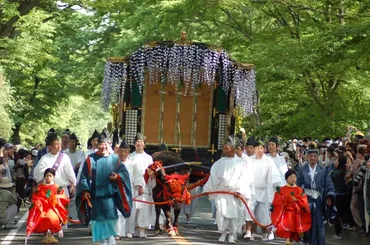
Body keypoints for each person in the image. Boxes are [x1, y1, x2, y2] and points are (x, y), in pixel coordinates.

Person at [76, 133, 132, 245]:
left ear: (108, 145)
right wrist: (85, 190)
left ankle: (111, 237)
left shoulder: (114, 159)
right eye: (101, 144)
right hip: (95, 196)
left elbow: (123, 172)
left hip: (110, 195)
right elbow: (84, 176)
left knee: (111, 218)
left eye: (105, 144)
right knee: (98, 220)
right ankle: (103, 241)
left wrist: (117, 176)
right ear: (98, 145)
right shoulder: (90, 159)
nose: (103, 147)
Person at [203, 135, 253, 244]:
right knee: (221, 212)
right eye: (225, 144)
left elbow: (244, 178)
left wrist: (239, 191)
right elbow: (214, 177)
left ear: (233, 148)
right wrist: (209, 189)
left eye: (227, 145)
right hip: (222, 191)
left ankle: (232, 234)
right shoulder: (219, 163)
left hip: (234, 193)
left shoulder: (240, 163)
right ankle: (223, 232)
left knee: (233, 215)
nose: (224, 146)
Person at [297, 146, 335, 245]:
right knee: (306, 221)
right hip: (305, 199)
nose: (313, 158)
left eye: (314, 156)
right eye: (310, 156)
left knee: (318, 223)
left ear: (317, 158)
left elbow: (328, 183)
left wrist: (329, 196)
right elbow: (297, 185)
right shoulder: (302, 170)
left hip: (318, 199)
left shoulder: (323, 170)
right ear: (307, 157)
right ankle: (307, 241)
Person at [245, 139, 281, 241]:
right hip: (252, 189)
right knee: (249, 209)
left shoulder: (268, 160)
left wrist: (277, 187)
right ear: (254, 150)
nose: (259, 150)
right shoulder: (249, 160)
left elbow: (274, 176)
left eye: (261, 148)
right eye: (257, 148)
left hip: (264, 190)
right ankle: (248, 231)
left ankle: (265, 233)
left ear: (264, 149)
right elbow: (245, 174)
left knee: (263, 212)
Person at [26, 168, 70, 244]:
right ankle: (45, 236)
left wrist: (56, 199)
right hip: (42, 208)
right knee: (42, 217)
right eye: (47, 176)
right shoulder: (40, 187)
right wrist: (37, 203)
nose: (48, 177)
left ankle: (52, 235)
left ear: (53, 177)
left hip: (54, 208)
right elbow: (35, 197)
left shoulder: (57, 187)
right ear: (44, 177)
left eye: (50, 176)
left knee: (52, 217)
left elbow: (63, 197)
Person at [33, 133, 77, 206]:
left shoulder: (65, 157)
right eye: (56, 144)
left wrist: (73, 185)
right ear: (50, 146)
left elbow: (70, 173)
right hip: (48, 192)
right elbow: (37, 174)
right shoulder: (45, 158)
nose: (59, 146)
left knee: (62, 215)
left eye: (59, 143)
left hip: (61, 191)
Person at [271, 169, 311, 245]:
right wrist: (287, 199)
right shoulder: (282, 189)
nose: (293, 179)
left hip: (296, 212)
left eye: (294, 177)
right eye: (291, 177)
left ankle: (291, 240)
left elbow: (303, 199)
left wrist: (297, 200)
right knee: (287, 226)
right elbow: (278, 198)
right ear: (287, 179)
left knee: (294, 227)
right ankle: (287, 240)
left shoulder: (299, 189)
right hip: (286, 212)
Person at [130, 132, 155, 238]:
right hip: (134, 186)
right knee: (134, 208)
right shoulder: (131, 156)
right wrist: (136, 183)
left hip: (146, 186)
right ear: (134, 144)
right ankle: (133, 228)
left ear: (144, 144)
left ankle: (142, 229)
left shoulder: (148, 158)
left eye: (141, 142)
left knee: (144, 208)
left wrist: (152, 174)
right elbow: (130, 171)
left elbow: (152, 171)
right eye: (137, 142)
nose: (139, 144)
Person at [115, 140, 135, 240]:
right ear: (118, 151)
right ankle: (119, 232)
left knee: (130, 209)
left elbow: (137, 176)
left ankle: (129, 230)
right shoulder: (114, 162)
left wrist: (140, 186)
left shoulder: (132, 163)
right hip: (118, 189)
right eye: (121, 151)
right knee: (119, 210)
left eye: (125, 151)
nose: (123, 153)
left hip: (130, 189)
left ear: (128, 152)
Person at [64, 132, 85, 220]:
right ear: (68, 143)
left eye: (74, 142)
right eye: (71, 142)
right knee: (65, 198)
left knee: (74, 198)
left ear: (76, 143)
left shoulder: (80, 153)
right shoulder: (64, 153)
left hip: (76, 176)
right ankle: (65, 217)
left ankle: (73, 217)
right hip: (65, 177)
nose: (72, 144)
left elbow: (79, 164)